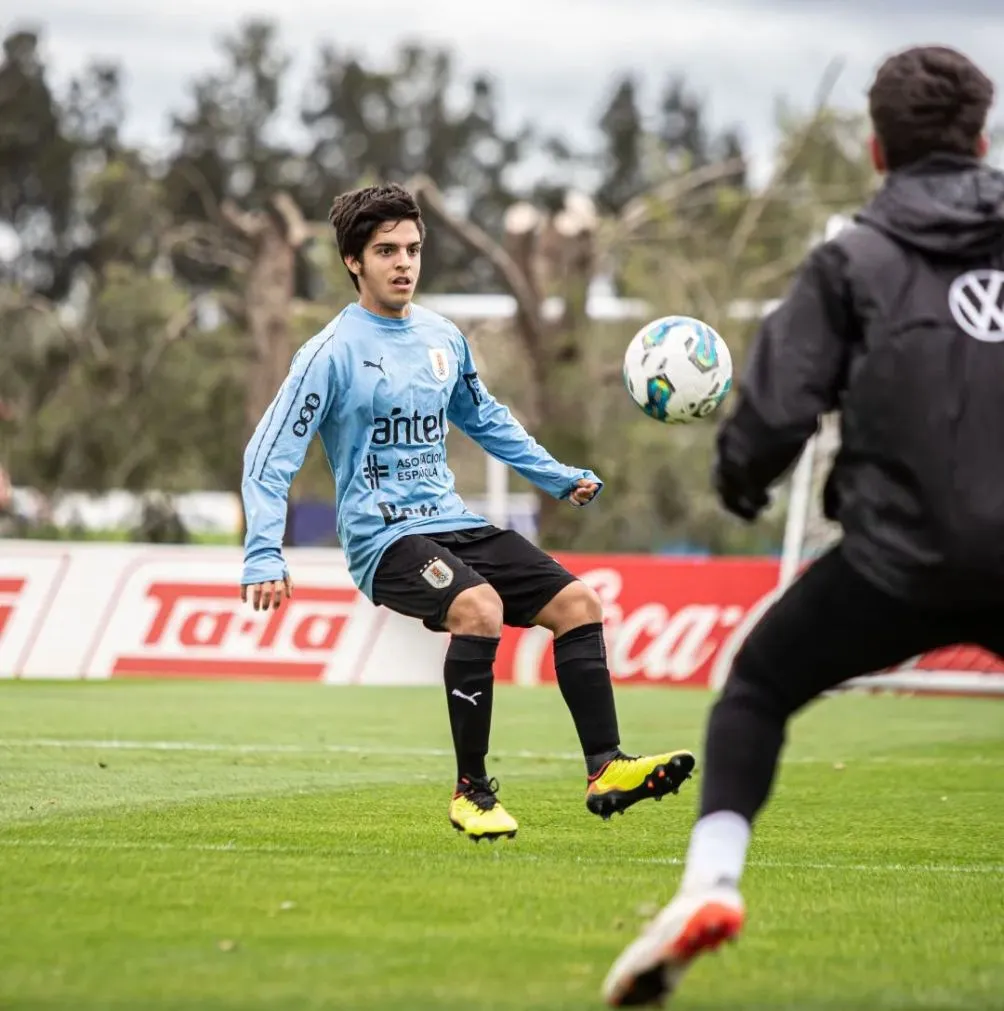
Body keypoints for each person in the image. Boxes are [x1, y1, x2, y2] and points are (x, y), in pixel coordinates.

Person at [602, 44, 1004, 1006]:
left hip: (895, 561)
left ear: (876, 150)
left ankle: (709, 884)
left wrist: (741, 481)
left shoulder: (850, 260)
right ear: (984, 140)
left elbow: (778, 411)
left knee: (758, 685)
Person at [239, 182, 695, 842]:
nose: (404, 263)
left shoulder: (441, 338)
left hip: (452, 521)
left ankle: (606, 768)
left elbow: (487, 419)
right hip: (383, 536)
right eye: (387, 250)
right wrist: (262, 551)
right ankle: (472, 791)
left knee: (579, 605)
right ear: (353, 261)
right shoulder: (329, 352)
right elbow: (268, 454)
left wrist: (556, 476)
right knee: (478, 608)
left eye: (413, 249)